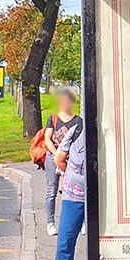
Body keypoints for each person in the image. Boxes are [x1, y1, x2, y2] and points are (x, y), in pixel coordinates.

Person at [49, 115, 87, 260]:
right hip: (73, 195)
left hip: (99, 196)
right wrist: (72, 175)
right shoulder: (76, 131)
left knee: (98, 241)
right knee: (66, 237)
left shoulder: (107, 133)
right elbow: (59, 158)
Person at [41, 90, 82, 237]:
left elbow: (79, 142)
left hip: (71, 160)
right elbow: (47, 138)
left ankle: (79, 223)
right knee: (51, 190)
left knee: (73, 191)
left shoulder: (78, 121)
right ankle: (50, 223)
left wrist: (66, 157)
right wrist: (55, 154)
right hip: (52, 157)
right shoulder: (53, 117)